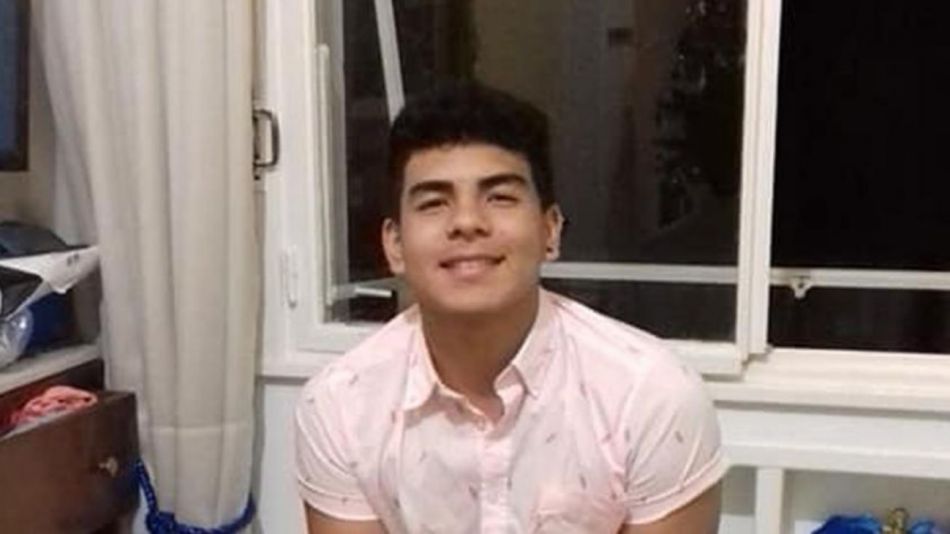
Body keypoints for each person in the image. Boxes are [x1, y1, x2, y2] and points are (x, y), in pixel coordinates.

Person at [295, 82, 728, 533]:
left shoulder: (651, 396)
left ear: (550, 231)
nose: (467, 222)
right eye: (434, 202)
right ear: (395, 245)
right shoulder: (341, 406)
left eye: (499, 197)